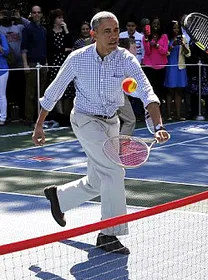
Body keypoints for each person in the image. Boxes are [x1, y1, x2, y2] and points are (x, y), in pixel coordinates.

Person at [32, 11, 170, 255]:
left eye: (116, 30)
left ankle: (59, 198)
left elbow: (147, 91)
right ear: (93, 34)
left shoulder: (126, 59)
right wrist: (39, 125)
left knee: (99, 180)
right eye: (107, 31)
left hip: (111, 122)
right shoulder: (78, 58)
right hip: (85, 120)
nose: (114, 35)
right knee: (114, 170)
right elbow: (53, 92)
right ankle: (109, 234)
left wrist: (158, 126)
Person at [117, 37, 138, 136]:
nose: (136, 50)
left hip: (117, 94)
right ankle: (121, 146)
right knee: (130, 120)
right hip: (117, 95)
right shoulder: (126, 62)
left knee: (111, 122)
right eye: (134, 48)